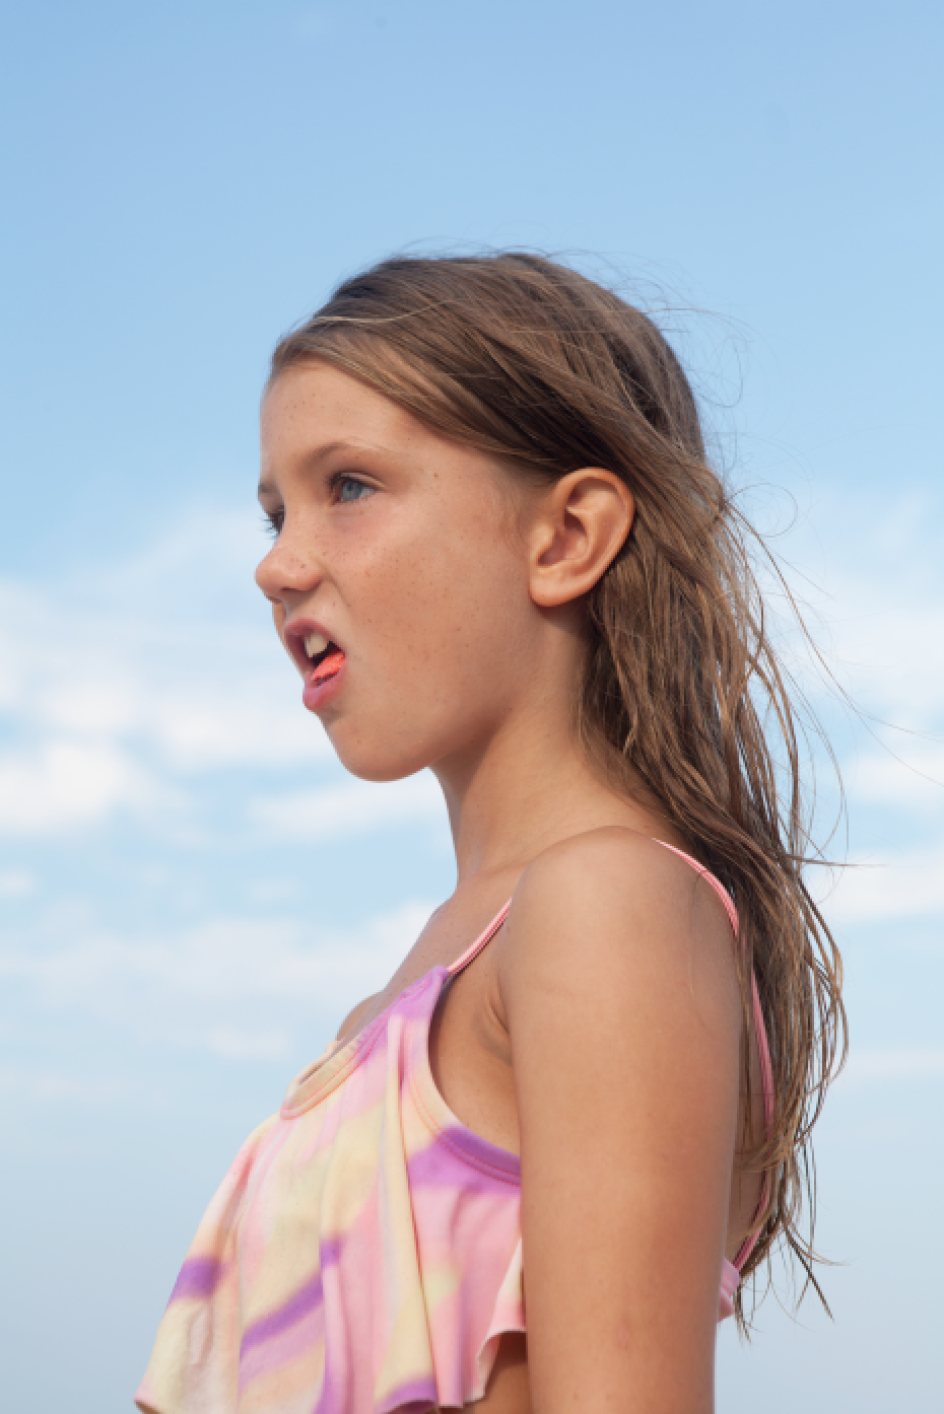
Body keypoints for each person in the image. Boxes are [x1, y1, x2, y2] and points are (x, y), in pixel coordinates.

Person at [135, 253, 845, 1414]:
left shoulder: (605, 908)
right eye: (274, 511)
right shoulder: (401, 1004)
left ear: (564, 536)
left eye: (348, 485)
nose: (275, 564)